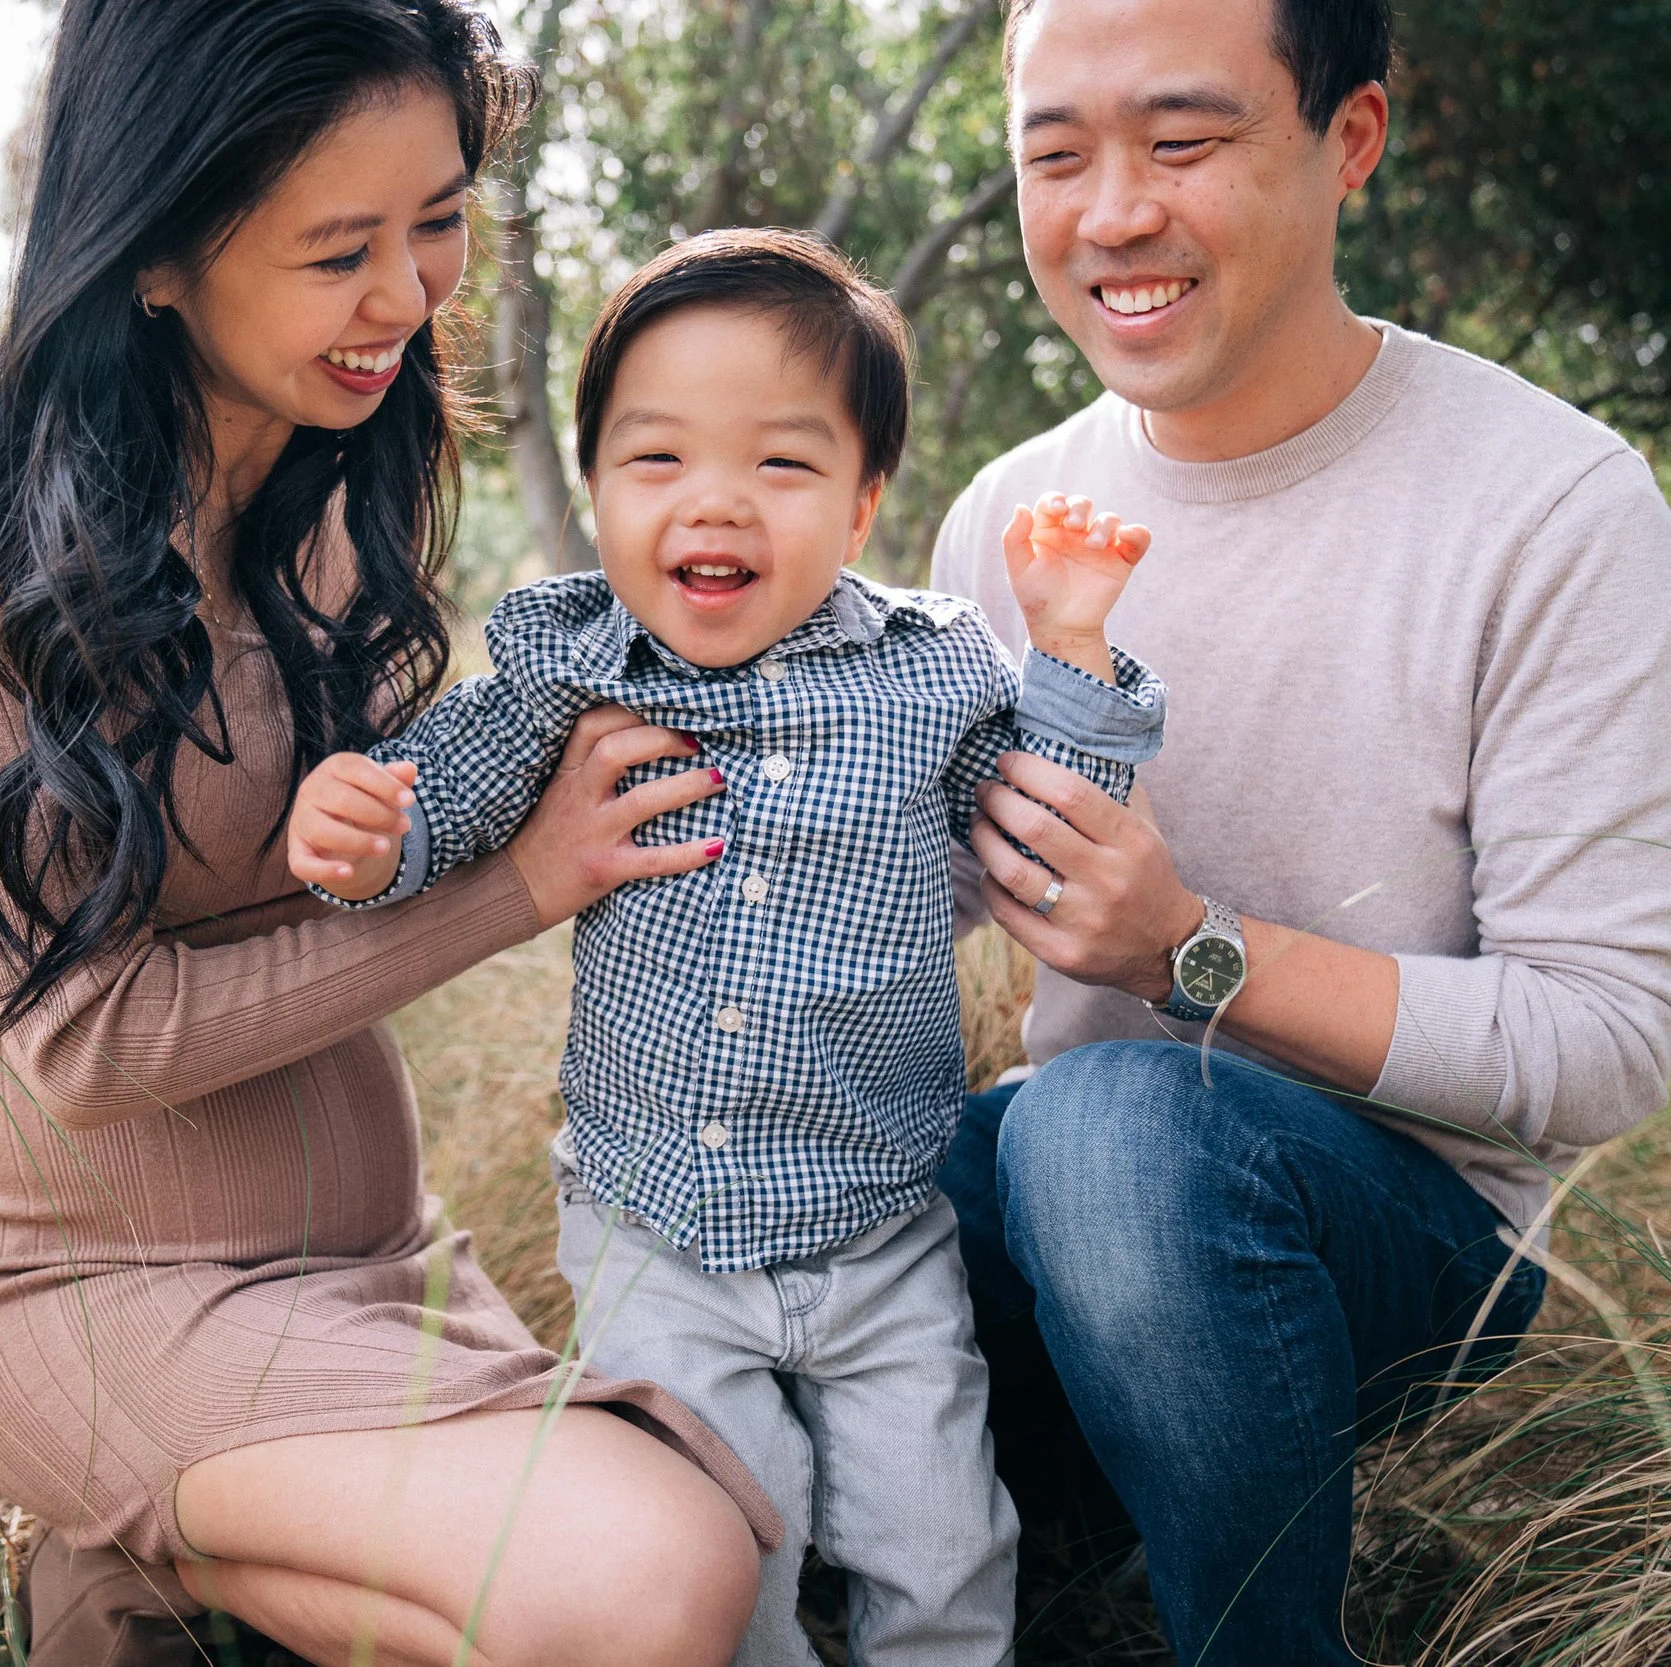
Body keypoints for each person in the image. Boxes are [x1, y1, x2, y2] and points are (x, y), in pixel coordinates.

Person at [0, 5, 783, 1664]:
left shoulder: (340, 475)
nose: (404, 299)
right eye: (335, 251)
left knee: (729, 1578)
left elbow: (397, 830)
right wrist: (519, 886)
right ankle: (148, 1551)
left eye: (438, 222)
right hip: (86, 1285)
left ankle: (137, 1584)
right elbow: (83, 1041)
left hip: (374, 1255)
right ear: (155, 251)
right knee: (652, 1574)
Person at [929, 0, 1671, 1662]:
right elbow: (910, 918)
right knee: (811, 1161)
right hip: (1071, 1215)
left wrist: (1185, 950)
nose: (1111, 211)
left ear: (1349, 138)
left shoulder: (1553, 511)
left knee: (1113, 1125)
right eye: (1053, 155)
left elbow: (1607, 1041)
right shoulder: (1010, 514)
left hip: (1406, 1234)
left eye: (1183, 142)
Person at [284, 228, 1165, 1667]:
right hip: (657, 1234)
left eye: (781, 464)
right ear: (595, 488)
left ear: (865, 498)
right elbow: (442, 799)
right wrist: (366, 829)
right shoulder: (573, 665)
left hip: (883, 1228)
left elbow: (1049, 824)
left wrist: (1067, 648)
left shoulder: (930, 668)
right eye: (658, 460)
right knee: (727, 1548)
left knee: (939, 1544)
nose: (717, 504)